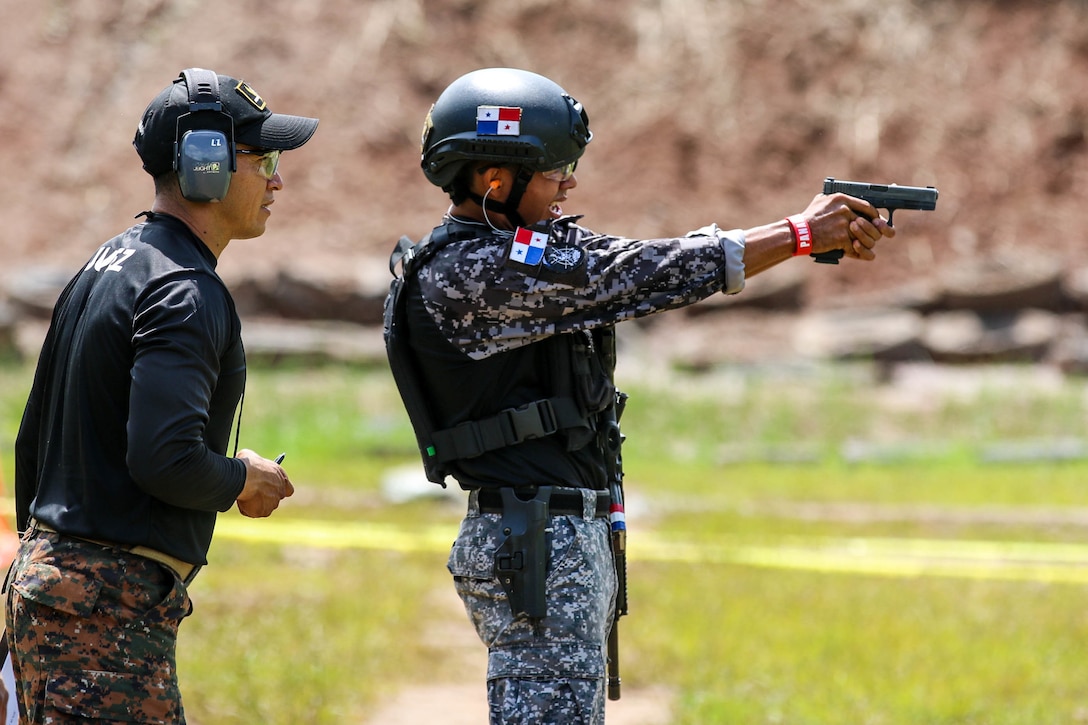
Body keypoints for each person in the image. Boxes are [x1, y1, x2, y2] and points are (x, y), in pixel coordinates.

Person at [384, 67, 897, 724]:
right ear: (494, 180)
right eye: (554, 168)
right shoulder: (478, 271)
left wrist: (799, 234)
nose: (569, 181)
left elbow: (629, 258)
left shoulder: (509, 253)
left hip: (551, 538)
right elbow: (637, 274)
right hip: (536, 546)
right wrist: (798, 235)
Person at [5, 67, 318, 724]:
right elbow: (165, 457)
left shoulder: (106, 264)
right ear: (204, 163)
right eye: (262, 158)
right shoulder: (183, 289)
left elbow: (31, 445)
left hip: (55, 593)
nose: (277, 179)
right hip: (102, 610)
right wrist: (242, 479)